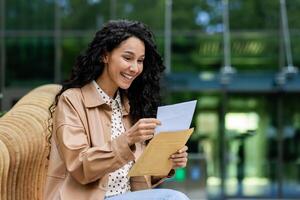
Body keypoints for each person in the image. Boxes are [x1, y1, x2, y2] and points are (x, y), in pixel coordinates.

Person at [45, 20, 190, 200]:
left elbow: (137, 178)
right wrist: (127, 139)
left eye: (140, 61)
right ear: (105, 55)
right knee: (174, 198)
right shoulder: (73, 100)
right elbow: (80, 166)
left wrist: (168, 163)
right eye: (127, 58)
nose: (135, 68)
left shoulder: (130, 105)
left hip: (126, 196)